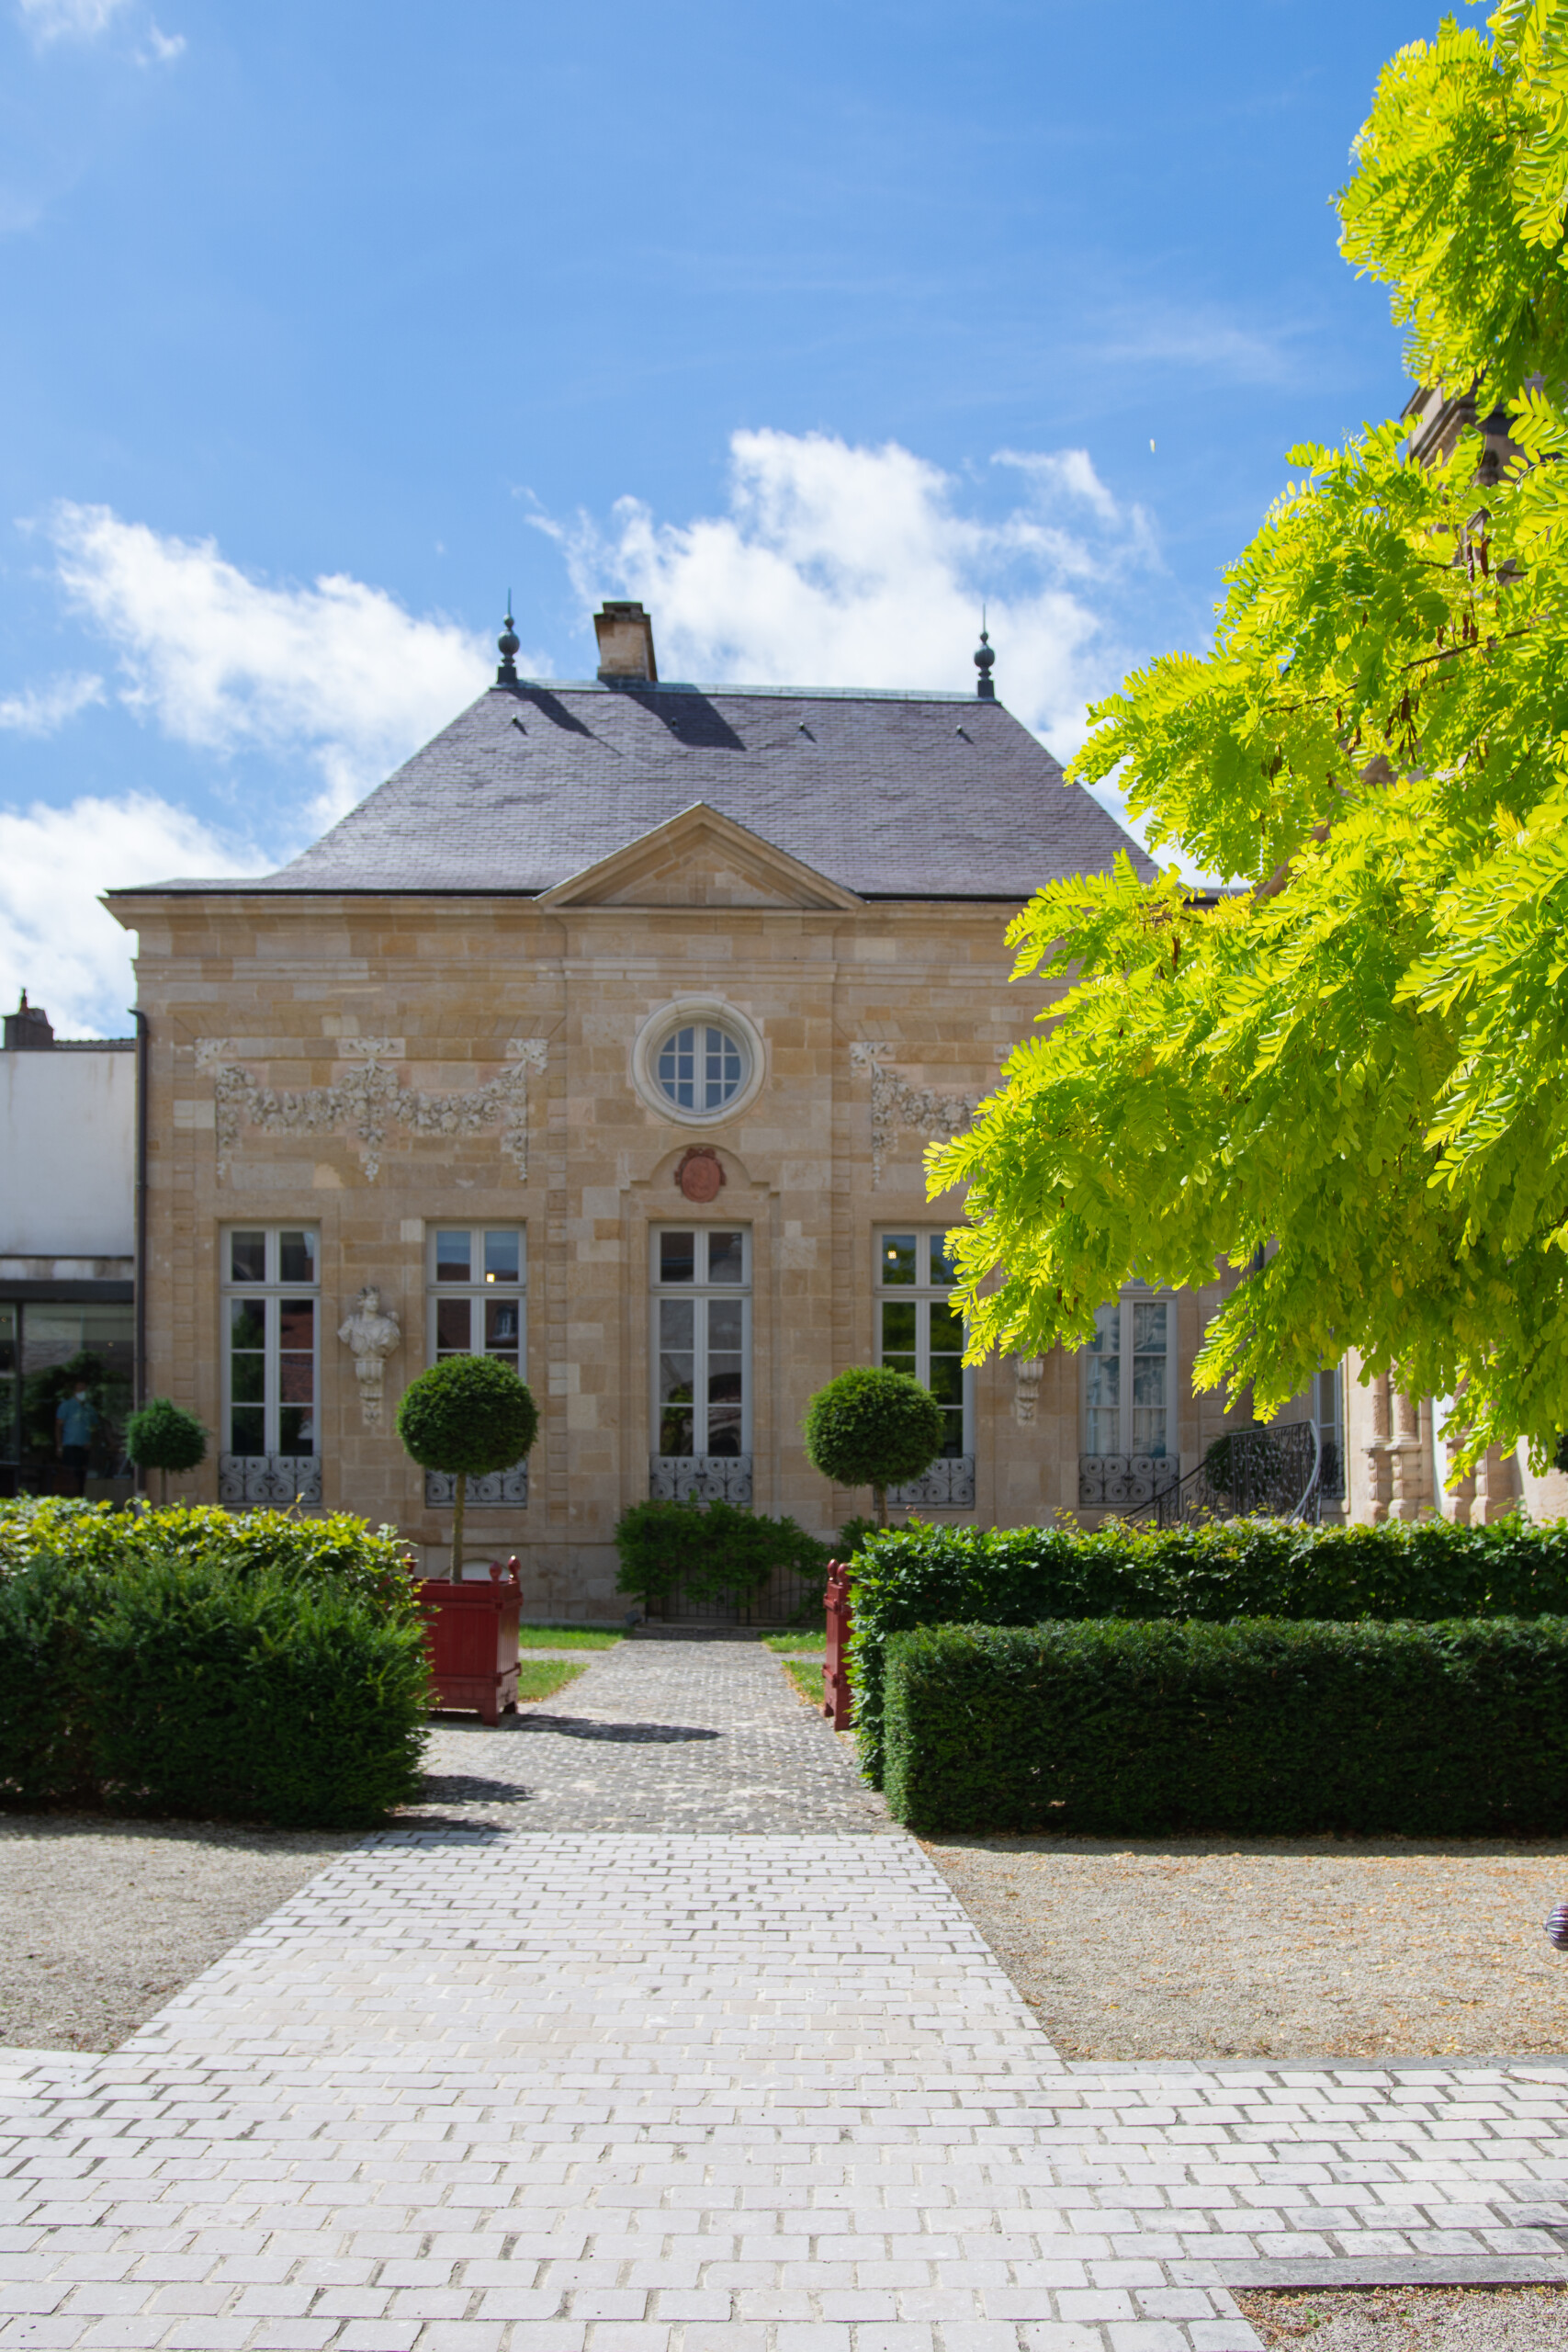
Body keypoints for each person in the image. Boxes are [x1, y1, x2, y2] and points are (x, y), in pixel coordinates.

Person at [55, 1379, 99, 1497]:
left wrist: (91, 1441)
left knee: (82, 1474)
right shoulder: (66, 1406)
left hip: (84, 1447)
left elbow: (95, 1427)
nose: (82, 1392)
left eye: (84, 1389)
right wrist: (59, 1445)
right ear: (74, 1391)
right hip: (69, 1445)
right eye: (79, 1389)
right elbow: (59, 1426)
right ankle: (68, 1496)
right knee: (69, 1473)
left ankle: (80, 1495)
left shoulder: (89, 1408)